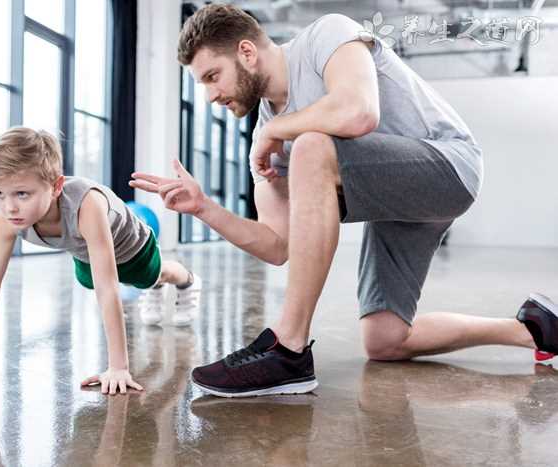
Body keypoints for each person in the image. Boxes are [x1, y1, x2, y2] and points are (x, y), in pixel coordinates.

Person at [130, 4, 558, 397]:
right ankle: (535, 329)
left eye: (211, 76)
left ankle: (289, 348)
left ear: (246, 52)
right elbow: (279, 245)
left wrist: (279, 133)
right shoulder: (268, 126)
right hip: (395, 201)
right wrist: (205, 208)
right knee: (385, 340)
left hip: (448, 165)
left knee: (312, 145)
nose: (210, 96)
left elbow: (358, 112)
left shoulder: (326, 35)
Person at [0, 127, 202, 395]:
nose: (9, 206)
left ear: (56, 186)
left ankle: (186, 280)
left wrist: (118, 367)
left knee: (152, 276)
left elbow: (109, 287)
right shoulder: (7, 220)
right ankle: (155, 285)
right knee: (87, 279)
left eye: (22, 194)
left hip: (133, 249)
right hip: (86, 253)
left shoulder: (87, 205)